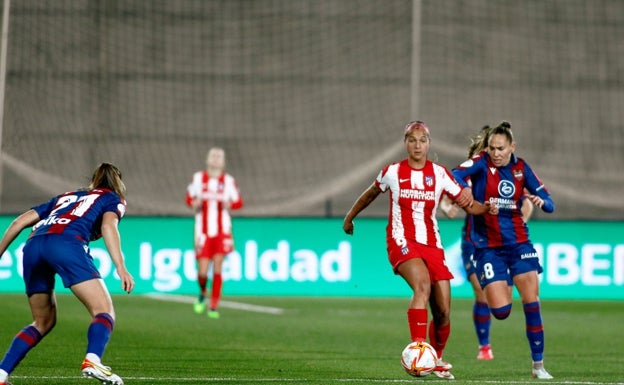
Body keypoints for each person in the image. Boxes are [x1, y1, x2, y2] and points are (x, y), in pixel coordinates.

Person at [342, 121, 498, 380]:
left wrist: (486, 208)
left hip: (432, 244)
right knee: (422, 286)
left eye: (422, 140)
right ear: (406, 143)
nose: (417, 145)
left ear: (429, 144)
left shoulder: (439, 174)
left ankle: (435, 359)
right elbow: (370, 194)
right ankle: (417, 348)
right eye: (412, 140)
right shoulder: (392, 172)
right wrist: (350, 217)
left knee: (444, 311)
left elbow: (467, 204)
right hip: (401, 239)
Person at [0, 162, 134, 385]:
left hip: (33, 246)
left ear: (94, 180)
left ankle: (1, 374)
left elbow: (18, 222)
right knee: (104, 310)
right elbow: (108, 227)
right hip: (66, 244)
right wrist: (120, 266)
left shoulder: (66, 196)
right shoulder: (112, 198)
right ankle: (93, 359)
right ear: (118, 183)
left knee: (42, 321)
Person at [451, 121, 555, 379]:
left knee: (532, 303)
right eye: (492, 148)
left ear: (512, 147)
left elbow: (551, 203)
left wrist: (542, 202)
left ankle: (538, 366)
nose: (496, 153)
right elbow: (453, 174)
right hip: (488, 247)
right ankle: (505, 277)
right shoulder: (481, 162)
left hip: (519, 244)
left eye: (500, 148)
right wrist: (465, 193)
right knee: (500, 311)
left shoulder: (521, 168)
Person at [440, 125, 534, 361]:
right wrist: (447, 206)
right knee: (481, 292)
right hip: (474, 243)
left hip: (505, 244)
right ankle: (484, 347)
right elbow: (447, 199)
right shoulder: (470, 177)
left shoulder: (507, 176)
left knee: (502, 302)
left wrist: (516, 224)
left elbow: (526, 203)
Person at [185, 147, 243, 319]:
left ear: (223, 162)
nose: (216, 159)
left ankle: (214, 305)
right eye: (214, 156)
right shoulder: (198, 178)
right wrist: (193, 203)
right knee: (202, 271)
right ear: (208, 159)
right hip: (203, 230)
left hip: (222, 230)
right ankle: (203, 290)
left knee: (218, 265)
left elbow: (238, 201)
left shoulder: (229, 181)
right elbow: (189, 197)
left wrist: (230, 205)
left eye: (219, 156)